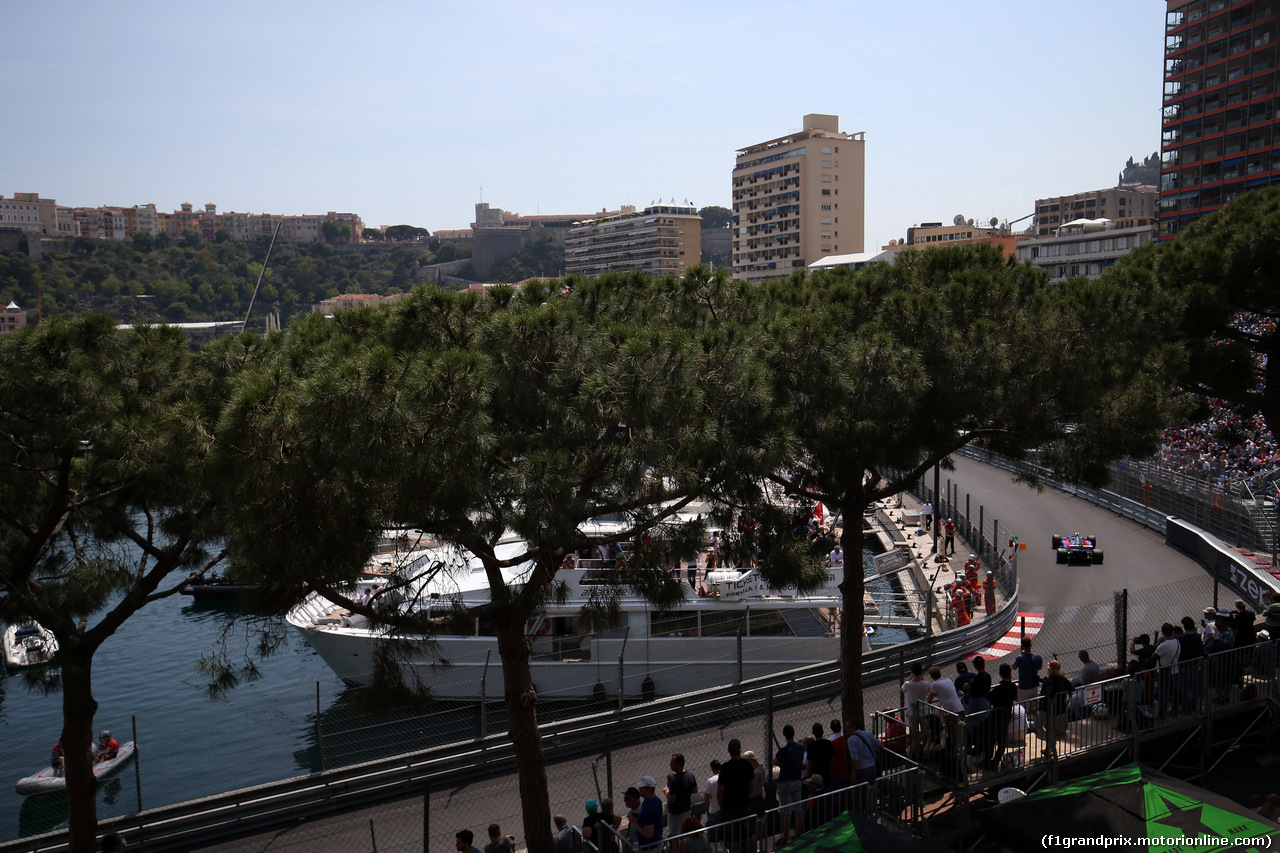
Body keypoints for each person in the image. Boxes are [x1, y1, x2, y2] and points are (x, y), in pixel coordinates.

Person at [715, 739, 755, 853]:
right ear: (740, 750)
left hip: (729, 806)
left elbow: (720, 790)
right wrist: (747, 796)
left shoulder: (725, 768)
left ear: (729, 751)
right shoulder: (746, 764)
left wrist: (721, 804)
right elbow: (752, 784)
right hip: (744, 803)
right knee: (749, 834)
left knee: (732, 838)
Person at [774, 724, 806, 844]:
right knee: (799, 808)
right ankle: (799, 833)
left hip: (785, 782)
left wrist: (785, 764)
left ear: (784, 735)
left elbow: (774, 761)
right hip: (797, 780)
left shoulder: (783, 751)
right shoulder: (800, 747)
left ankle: (785, 837)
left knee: (786, 811)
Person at [1037, 660, 1074, 758]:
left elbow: (1045, 693)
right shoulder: (1063, 679)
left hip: (1046, 708)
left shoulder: (1049, 680)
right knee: (1051, 728)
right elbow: (1071, 688)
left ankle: (1050, 744)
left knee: (1038, 725)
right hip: (1059, 709)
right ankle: (1049, 745)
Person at [986, 663, 1017, 770]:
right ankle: (996, 760)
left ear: (1000, 673)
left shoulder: (999, 689)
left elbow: (988, 696)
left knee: (991, 739)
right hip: (1006, 715)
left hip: (996, 717)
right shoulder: (1013, 687)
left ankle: (988, 760)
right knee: (1002, 739)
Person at [846, 718, 881, 813]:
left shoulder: (851, 740)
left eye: (849, 727)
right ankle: (872, 811)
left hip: (861, 769)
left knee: (857, 793)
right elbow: (880, 745)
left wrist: (853, 773)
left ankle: (858, 815)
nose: (847, 729)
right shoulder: (868, 734)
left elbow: (854, 758)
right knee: (871, 791)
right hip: (872, 767)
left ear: (854, 727)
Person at [665, 754, 697, 853]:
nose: (670, 764)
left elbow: (672, 799)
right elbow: (695, 790)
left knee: (675, 839)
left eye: (672, 762)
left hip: (675, 814)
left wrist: (666, 791)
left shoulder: (675, 780)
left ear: (678, 764)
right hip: (687, 811)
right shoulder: (690, 775)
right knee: (686, 836)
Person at [628, 776, 663, 852]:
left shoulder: (649, 807)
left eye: (642, 787)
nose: (639, 789)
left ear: (649, 789)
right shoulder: (656, 800)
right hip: (656, 844)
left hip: (650, 848)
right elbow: (652, 819)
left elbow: (648, 834)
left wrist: (634, 822)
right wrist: (639, 816)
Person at [1014, 638, 1043, 718]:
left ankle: (1026, 726)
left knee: (1023, 710)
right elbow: (1039, 667)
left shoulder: (1020, 658)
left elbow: (1014, 667)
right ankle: (1037, 724)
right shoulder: (1038, 657)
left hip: (1023, 687)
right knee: (1034, 708)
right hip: (1034, 686)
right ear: (1031, 645)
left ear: (1022, 646)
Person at [901, 662, 932, 732]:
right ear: (921, 672)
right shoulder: (926, 684)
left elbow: (902, 689)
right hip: (924, 710)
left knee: (914, 732)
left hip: (912, 712)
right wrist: (922, 679)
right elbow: (930, 691)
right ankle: (926, 742)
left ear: (912, 672)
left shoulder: (908, 684)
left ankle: (915, 742)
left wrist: (910, 677)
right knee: (926, 731)